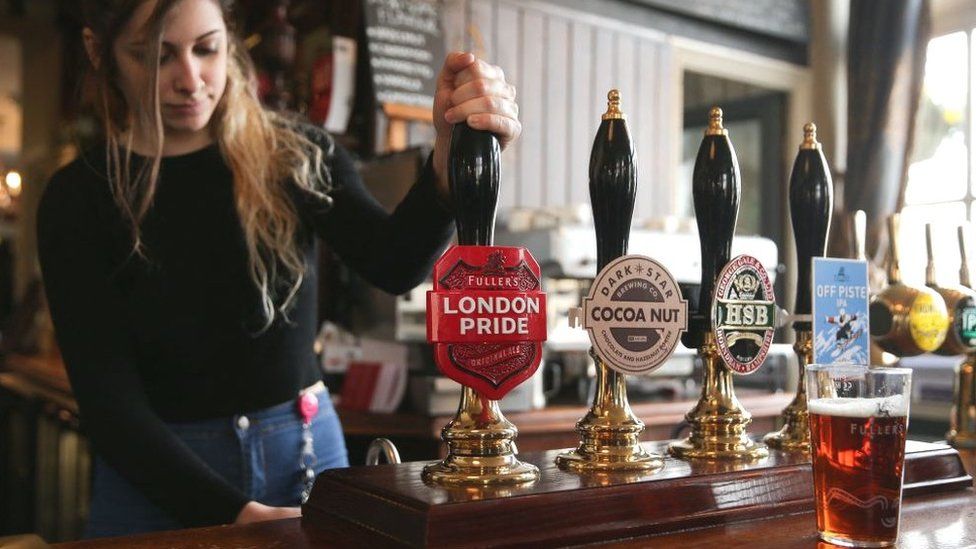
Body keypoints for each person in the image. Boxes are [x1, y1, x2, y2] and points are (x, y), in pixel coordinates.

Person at [37, 0, 521, 538]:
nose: (190, 79)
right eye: (154, 57)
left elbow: (394, 264)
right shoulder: (79, 199)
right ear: (97, 52)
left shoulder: (294, 152)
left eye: (206, 48)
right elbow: (109, 405)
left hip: (305, 455)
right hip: (155, 482)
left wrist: (449, 161)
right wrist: (239, 515)